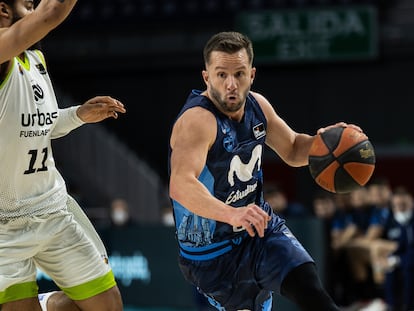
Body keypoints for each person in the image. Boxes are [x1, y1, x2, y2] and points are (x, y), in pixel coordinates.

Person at [168, 31, 363, 311]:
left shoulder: (258, 106)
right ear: (206, 77)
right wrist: (232, 212)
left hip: (259, 229)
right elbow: (181, 184)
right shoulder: (197, 121)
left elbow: (294, 148)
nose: (231, 84)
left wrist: (328, 143)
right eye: (221, 75)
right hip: (211, 253)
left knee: (309, 286)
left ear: (252, 74)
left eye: (239, 74)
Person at [0, 0, 126, 310]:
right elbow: (52, 13)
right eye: (28, 5)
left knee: (108, 307)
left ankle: (47, 304)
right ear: (4, 10)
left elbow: (37, 125)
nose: (35, 12)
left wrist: (78, 114)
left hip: (51, 210)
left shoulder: (35, 59)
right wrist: (46, 13)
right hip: (4, 228)